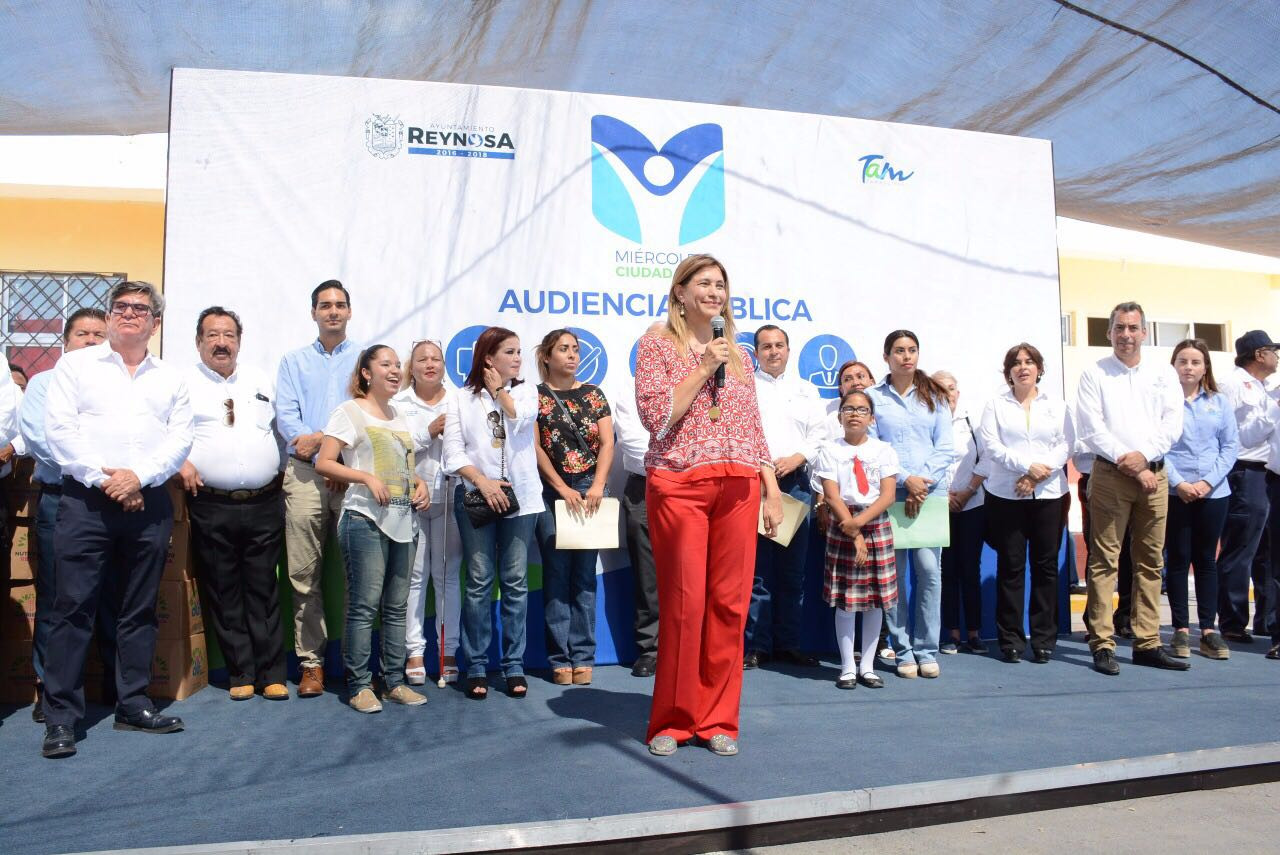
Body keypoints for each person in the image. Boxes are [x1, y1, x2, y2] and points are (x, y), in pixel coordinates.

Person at [635, 254, 782, 758]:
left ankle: (719, 718)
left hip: (739, 485)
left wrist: (771, 487)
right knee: (685, 603)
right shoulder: (657, 344)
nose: (715, 292)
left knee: (729, 605)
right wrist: (702, 367)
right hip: (680, 484)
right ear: (680, 292)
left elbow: (752, 425)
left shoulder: (738, 352)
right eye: (704, 283)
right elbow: (656, 416)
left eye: (721, 284)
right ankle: (674, 720)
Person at [40, 281, 194, 758]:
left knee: (138, 608)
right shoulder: (75, 365)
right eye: (120, 307)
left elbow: (180, 439)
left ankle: (133, 704)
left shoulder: (171, 377)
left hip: (147, 502)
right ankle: (61, 718)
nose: (129, 314)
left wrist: (138, 478)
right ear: (108, 318)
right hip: (86, 502)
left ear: (155, 323)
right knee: (73, 608)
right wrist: (106, 481)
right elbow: (59, 430)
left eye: (140, 309)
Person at [178, 307, 290, 701]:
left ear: (239, 342)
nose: (221, 342)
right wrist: (180, 463)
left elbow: (279, 431)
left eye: (229, 335)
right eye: (212, 335)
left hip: (264, 501)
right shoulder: (182, 383)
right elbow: (164, 432)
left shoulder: (260, 379)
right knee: (223, 588)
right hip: (210, 502)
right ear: (199, 342)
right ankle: (240, 673)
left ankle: (272, 673)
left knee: (264, 588)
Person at [316, 345, 430, 713]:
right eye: (386, 365)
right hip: (364, 519)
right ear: (366, 373)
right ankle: (360, 686)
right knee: (364, 607)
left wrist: (419, 484)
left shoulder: (400, 415)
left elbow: (403, 468)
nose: (395, 371)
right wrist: (365, 477)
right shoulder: (349, 412)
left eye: (398, 365)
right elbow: (324, 462)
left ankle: (393, 682)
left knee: (396, 607)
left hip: (403, 522)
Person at [1076, 301, 1185, 675]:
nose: (1126, 335)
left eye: (1133, 328)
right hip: (1111, 475)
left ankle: (1147, 642)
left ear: (1144, 332)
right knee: (1105, 559)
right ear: (1109, 333)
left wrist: (1145, 457)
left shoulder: (1163, 373)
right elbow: (1092, 429)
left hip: (1155, 475)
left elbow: (1172, 424)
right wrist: (1133, 463)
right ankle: (1103, 643)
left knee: (1151, 561)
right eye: (1119, 328)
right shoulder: (1094, 373)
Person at [18, 309, 110, 723]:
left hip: (115, 500)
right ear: (66, 342)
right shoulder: (44, 383)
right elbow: (43, 440)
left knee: (114, 595)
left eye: (98, 334)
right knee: (59, 598)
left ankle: (116, 685)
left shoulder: (119, 384)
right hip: (64, 497)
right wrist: (100, 469)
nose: (90, 341)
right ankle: (50, 688)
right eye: (82, 334)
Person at [442, 327, 541, 700]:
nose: (517, 358)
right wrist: (482, 482)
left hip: (522, 498)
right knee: (479, 581)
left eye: (519, 352)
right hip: (476, 495)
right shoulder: (461, 398)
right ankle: (477, 666)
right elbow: (453, 453)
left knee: (515, 582)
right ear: (488, 357)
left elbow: (519, 419)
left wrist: (500, 391)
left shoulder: (526, 391)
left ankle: (514, 665)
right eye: (509, 352)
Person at [275, 280, 360, 697]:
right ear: (313, 313)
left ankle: (357, 662)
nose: (333, 311)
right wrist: (321, 450)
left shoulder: (364, 359)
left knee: (357, 573)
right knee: (303, 574)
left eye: (340, 305)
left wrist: (329, 445)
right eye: (325, 305)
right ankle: (311, 664)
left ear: (349, 312)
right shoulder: (293, 361)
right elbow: (286, 417)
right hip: (305, 473)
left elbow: (369, 413)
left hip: (352, 473)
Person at [977, 344, 1073, 664]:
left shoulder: (1057, 405)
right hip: (1007, 495)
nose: (1023, 367)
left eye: (1029, 362)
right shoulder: (995, 405)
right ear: (1008, 372)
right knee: (1011, 567)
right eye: (1016, 363)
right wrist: (1026, 467)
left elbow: (1066, 445)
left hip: (1048, 494)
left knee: (1046, 567)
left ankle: (1044, 639)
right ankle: (1011, 640)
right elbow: (992, 446)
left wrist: (1035, 476)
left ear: (1039, 368)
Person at [866, 330, 953, 679]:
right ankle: (902, 650)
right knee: (896, 577)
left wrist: (921, 482)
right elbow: (873, 447)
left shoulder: (935, 395)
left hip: (929, 495)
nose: (906, 356)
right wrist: (905, 480)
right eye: (899, 350)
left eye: (912, 350)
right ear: (886, 356)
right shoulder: (873, 397)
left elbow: (945, 446)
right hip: (892, 494)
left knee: (929, 572)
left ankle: (927, 649)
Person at [532, 329, 614, 686]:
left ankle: (583, 657)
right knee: (556, 574)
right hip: (552, 492)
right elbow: (535, 447)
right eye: (563, 349)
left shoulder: (593, 394)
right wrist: (561, 487)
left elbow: (608, 442)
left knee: (583, 576)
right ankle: (559, 659)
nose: (572, 355)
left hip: (590, 490)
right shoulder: (535, 396)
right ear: (547, 356)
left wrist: (596, 485)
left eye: (575, 349)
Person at [744, 324, 825, 669]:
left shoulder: (806, 390)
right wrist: (764, 468)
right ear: (756, 353)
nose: (773, 351)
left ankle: (788, 644)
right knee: (758, 573)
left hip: (795, 485)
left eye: (779, 345)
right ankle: (757, 646)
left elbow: (820, 434)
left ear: (789, 350)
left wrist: (797, 457)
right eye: (766, 346)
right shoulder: (745, 387)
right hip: (756, 485)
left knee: (792, 573)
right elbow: (744, 434)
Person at [815, 390, 898, 690]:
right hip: (843, 521)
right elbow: (832, 495)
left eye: (862, 410)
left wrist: (859, 525)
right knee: (847, 601)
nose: (854, 414)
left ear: (871, 418)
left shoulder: (884, 450)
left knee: (875, 601)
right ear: (839, 416)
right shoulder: (829, 450)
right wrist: (853, 531)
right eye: (848, 409)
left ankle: (868, 667)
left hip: (873, 521)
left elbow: (888, 495)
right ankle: (848, 667)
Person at [1163, 339, 1238, 660]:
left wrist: (1208, 482)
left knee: (1206, 560)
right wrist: (1179, 483)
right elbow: (1158, 446)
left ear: (1205, 367)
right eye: (1183, 361)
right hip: (1175, 492)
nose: (1188, 367)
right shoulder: (1164, 403)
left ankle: (1207, 630)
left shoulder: (1219, 402)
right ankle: (1180, 629)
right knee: (1178, 559)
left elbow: (1230, 447)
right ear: (1173, 365)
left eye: (1195, 362)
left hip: (1214, 492)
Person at [393, 339, 461, 686]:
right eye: (422, 359)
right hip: (412, 500)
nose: (430, 364)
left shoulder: (460, 400)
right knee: (415, 578)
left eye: (436, 359)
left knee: (447, 576)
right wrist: (428, 432)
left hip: (451, 499)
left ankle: (448, 651)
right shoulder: (398, 403)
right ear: (412, 366)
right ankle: (415, 652)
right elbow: (393, 447)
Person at [1216, 330, 1280, 643]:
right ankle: (1232, 621)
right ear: (1258, 354)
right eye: (1273, 351)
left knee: (1267, 551)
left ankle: (1267, 620)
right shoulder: (1233, 383)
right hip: (1245, 470)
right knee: (1241, 548)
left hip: (1266, 473)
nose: (1277, 357)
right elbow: (1234, 434)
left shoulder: (1264, 387)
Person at [612, 331, 662, 678]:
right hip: (646, 487)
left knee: (690, 574)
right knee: (648, 575)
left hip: (690, 488)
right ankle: (651, 648)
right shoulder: (628, 390)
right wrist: (676, 460)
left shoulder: (694, 381)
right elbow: (632, 442)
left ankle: (687, 648)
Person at [933, 369, 988, 656]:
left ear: (958, 392)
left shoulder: (972, 421)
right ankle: (952, 634)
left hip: (972, 503)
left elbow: (986, 459)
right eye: (940, 389)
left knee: (970, 568)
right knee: (947, 570)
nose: (948, 394)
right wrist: (943, 496)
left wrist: (967, 492)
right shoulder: (928, 422)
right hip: (939, 506)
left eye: (951, 388)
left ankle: (974, 633)